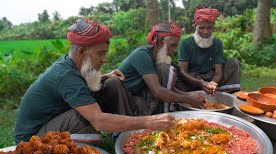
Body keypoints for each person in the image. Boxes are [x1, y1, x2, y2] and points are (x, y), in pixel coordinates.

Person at [14, 18, 175, 143]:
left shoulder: (70, 65)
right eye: (101, 53)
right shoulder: (66, 77)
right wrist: (149, 121)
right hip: (31, 140)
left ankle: (125, 136)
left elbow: (77, 85)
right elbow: (98, 120)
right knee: (84, 119)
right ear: (82, 52)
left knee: (113, 83)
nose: (104, 60)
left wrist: (105, 76)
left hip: (53, 120)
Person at [118, 23, 206, 115]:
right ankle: (160, 116)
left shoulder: (157, 57)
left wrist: (188, 95)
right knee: (165, 69)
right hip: (128, 102)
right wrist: (188, 99)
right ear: (161, 41)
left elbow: (165, 87)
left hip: (139, 97)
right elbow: (158, 91)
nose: (174, 50)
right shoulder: (142, 55)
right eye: (173, 45)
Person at [175, 8, 241, 94]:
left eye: (209, 28)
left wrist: (212, 84)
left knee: (234, 63)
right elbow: (183, 71)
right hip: (193, 79)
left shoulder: (217, 43)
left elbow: (218, 71)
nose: (205, 32)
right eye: (201, 28)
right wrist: (201, 83)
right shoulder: (185, 44)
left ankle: (218, 92)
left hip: (211, 77)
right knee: (174, 71)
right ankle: (193, 93)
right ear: (195, 27)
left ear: (213, 27)